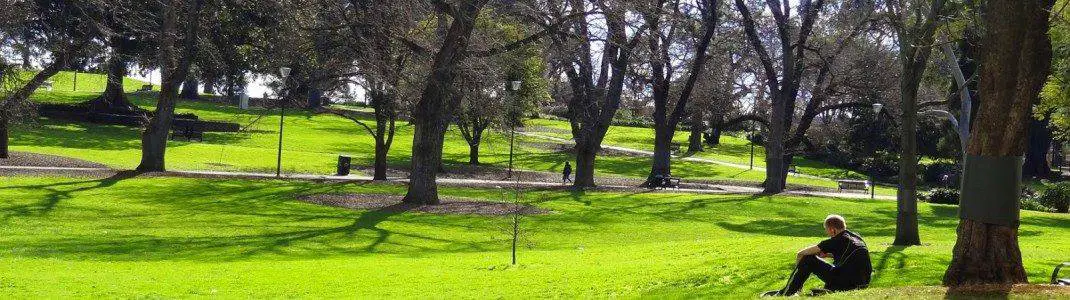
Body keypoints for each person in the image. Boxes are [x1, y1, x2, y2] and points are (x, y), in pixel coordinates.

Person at [763, 215, 872, 297]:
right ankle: (830, 289)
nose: (828, 234)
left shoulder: (836, 240)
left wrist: (800, 266)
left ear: (832, 230)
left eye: (827, 231)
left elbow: (801, 253)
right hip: (862, 283)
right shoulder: (856, 237)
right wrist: (828, 255)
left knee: (808, 259)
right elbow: (849, 257)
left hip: (845, 283)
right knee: (833, 267)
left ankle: (788, 292)